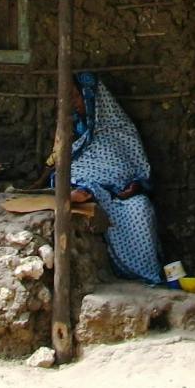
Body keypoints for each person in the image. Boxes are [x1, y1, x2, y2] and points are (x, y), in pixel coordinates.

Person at [54, 71, 162, 284]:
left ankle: (147, 272)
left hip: (123, 197)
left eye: (76, 97)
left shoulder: (121, 129)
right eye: (70, 98)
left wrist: (135, 187)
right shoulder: (74, 132)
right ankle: (85, 192)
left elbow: (141, 172)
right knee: (86, 194)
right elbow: (62, 167)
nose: (74, 103)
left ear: (92, 97)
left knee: (140, 209)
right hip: (93, 191)